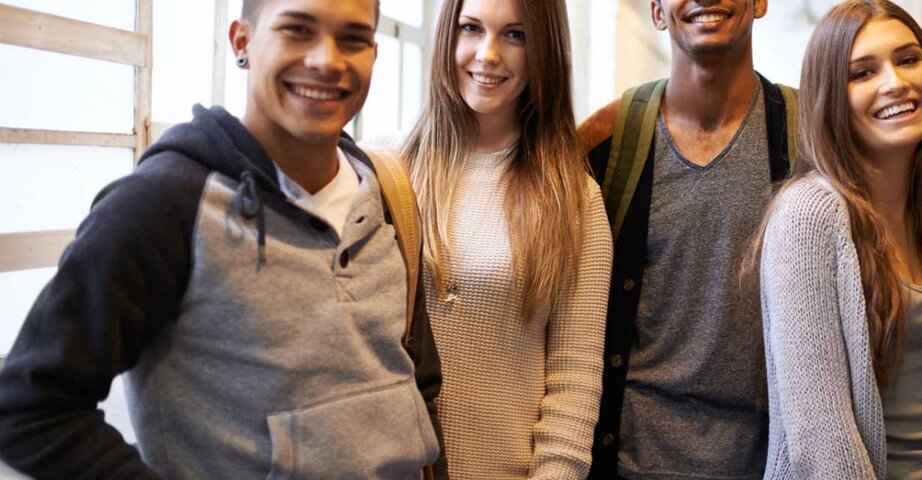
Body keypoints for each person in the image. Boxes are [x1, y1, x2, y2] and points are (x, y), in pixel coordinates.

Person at [0, 0, 446, 478]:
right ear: (242, 41)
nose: (326, 60)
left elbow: (417, 386)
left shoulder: (387, 192)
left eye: (353, 39)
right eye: (298, 29)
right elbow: (28, 408)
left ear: (373, 55)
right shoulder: (164, 203)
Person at [753, 2, 922, 479]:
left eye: (908, 59)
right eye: (863, 72)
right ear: (830, 97)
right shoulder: (809, 216)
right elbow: (820, 443)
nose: (895, 82)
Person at [387, 0, 611, 477]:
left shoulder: (573, 197)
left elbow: (574, 382)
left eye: (516, 35)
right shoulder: (388, 172)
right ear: (447, 35)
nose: (488, 53)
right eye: (471, 28)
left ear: (543, 51)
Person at [575, 0, 798, 478]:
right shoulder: (604, 143)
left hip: (772, 463)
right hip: (632, 462)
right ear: (657, 10)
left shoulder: (810, 137)